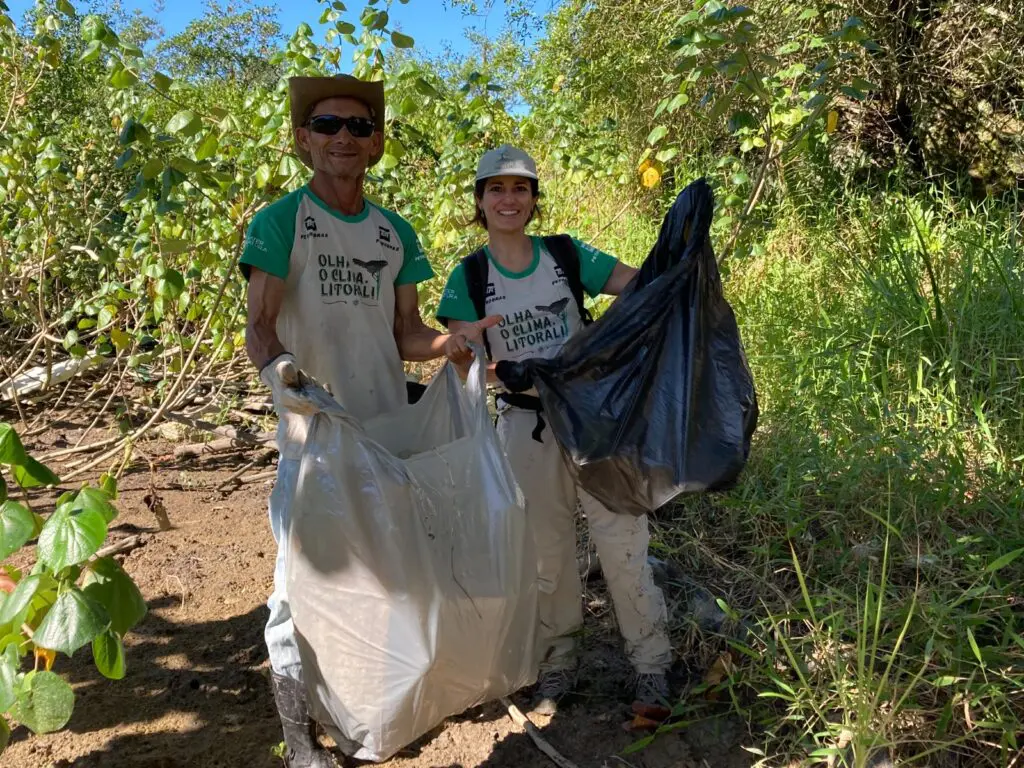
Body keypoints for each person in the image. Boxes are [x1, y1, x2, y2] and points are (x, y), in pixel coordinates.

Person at [239, 75, 496, 768]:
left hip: (384, 431)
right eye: (326, 125)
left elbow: (405, 332)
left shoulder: (394, 233)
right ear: (302, 141)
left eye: (358, 127)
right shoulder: (279, 222)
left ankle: (379, 705)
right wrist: (285, 380)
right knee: (298, 587)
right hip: (313, 436)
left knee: (386, 568)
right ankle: (300, 744)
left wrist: (453, 344)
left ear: (377, 144)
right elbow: (258, 328)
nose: (342, 138)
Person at [436, 145, 673, 715]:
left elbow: (640, 286)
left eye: (520, 189)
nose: (508, 199)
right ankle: (558, 663)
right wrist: (499, 370)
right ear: (480, 201)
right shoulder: (470, 275)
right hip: (523, 424)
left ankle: (652, 665)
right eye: (496, 189)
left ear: (534, 200)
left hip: (595, 423)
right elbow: (462, 355)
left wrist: (680, 258)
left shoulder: (565, 256)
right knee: (547, 554)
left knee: (623, 542)